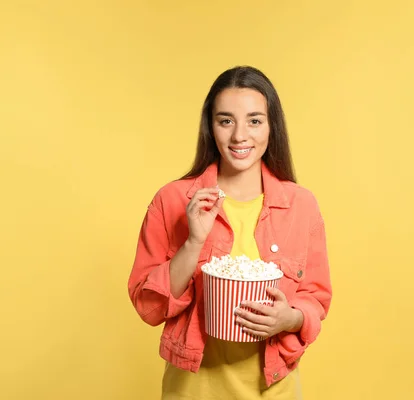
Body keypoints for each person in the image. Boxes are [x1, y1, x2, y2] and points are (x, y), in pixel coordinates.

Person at [127, 66, 332, 399]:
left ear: (271, 127)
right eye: (226, 121)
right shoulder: (173, 200)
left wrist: (289, 319)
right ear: (211, 127)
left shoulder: (301, 205)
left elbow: (315, 299)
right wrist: (194, 241)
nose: (240, 136)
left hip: (274, 388)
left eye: (254, 120)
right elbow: (148, 307)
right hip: (193, 390)